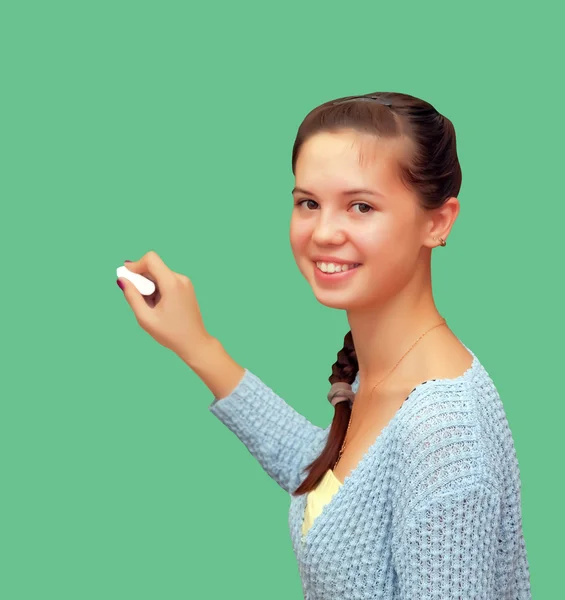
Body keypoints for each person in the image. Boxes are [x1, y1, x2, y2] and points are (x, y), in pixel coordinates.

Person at [117, 92, 532, 599]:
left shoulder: (442, 436)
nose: (324, 232)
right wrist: (196, 344)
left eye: (361, 206)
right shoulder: (386, 371)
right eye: (308, 203)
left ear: (437, 222)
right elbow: (337, 482)